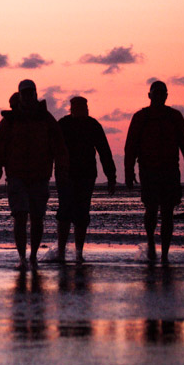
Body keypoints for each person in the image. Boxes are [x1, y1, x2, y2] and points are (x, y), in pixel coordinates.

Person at [0, 79, 69, 269]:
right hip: (16, 175)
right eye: (25, 93)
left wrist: (62, 172)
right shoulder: (9, 121)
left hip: (40, 176)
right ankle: (22, 257)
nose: (28, 96)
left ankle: (32, 256)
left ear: (35, 94)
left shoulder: (46, 118)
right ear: (20, 95)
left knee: (37, 218)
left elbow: (59, 148)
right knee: (20, 215)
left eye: (31, 93)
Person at [125, 80, 184, 264]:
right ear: (150, 96)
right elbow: (131, 146)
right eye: (156, 94)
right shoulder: (141, 117)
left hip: (170, 171)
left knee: (167, 213)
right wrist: (128, 171)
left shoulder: (174, 116)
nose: (159, 97)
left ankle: (164, 254)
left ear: (166, 96)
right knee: (151, 210)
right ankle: (151, 243)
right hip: (148, 171)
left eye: (162, 94)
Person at [55, 96, 116, 264]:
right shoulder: (63, 125)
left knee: (82, 214)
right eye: (78, 106)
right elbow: (51, 149)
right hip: (65, 175)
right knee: (65, 212)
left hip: (86, 175)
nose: (82, 109)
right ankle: (61, 252)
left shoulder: (93, 125)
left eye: (84, 106)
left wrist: (111, 176)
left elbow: (104, 151)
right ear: (72, 108)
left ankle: (78, 252)